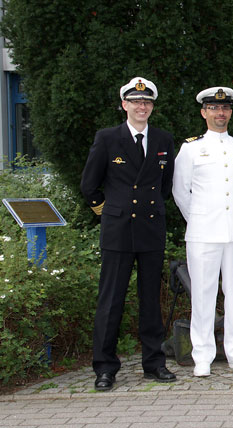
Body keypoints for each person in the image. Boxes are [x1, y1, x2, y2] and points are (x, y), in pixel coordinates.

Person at [81, 77, 177, 391]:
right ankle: (105, 368)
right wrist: (111, 213)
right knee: (111, 301)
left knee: (151, 300)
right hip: (118, 231)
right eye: (135, 102)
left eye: (147, 102)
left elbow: (164, 187)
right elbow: (89, 186)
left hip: (150, 229)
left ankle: (154, 363)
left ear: (152, 107)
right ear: (124, 105)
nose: (141, 107)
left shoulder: (163, 140)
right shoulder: (108, 138)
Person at [172, 87, 233, 377]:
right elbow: (181, 191)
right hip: (203, 232)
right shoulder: (191, 148)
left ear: (230, 112)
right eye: (213, 108)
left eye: (225, 108)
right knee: (203, 294)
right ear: (204, 112)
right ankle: (203, 356)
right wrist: (199, 218)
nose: (220, 113)